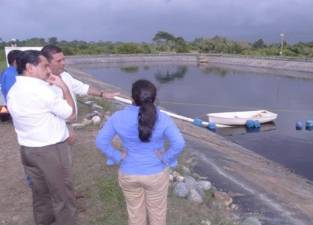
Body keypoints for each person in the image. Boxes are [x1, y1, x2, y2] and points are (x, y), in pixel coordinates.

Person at [96, 79, 185, 225]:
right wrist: (166, 158)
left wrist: (117, 155)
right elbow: (179, 143)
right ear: (154, 99)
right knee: (157, 214)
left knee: (135, 214)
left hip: (129, 173)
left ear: (132, 98)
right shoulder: (163, 118)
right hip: (156, 173)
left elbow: (101, 141)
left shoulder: (118, 117)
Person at [7, 50, 77, 225]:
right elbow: (71, 115)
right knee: (63, 196)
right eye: (45, 65)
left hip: (28, 150)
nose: (49, 70)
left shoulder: (14, 89)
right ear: (30, 68)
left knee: (41, 195)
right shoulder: (42, 91)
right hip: (50, 151)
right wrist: (63, 87)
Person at [41, 44, 119, 114]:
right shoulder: (41, 85)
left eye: (63, 59)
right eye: (59, 61)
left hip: (66, 125)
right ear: (47, 63)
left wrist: (103, 94)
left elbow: (83, 88)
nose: (63, 63)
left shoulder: (65, 76)